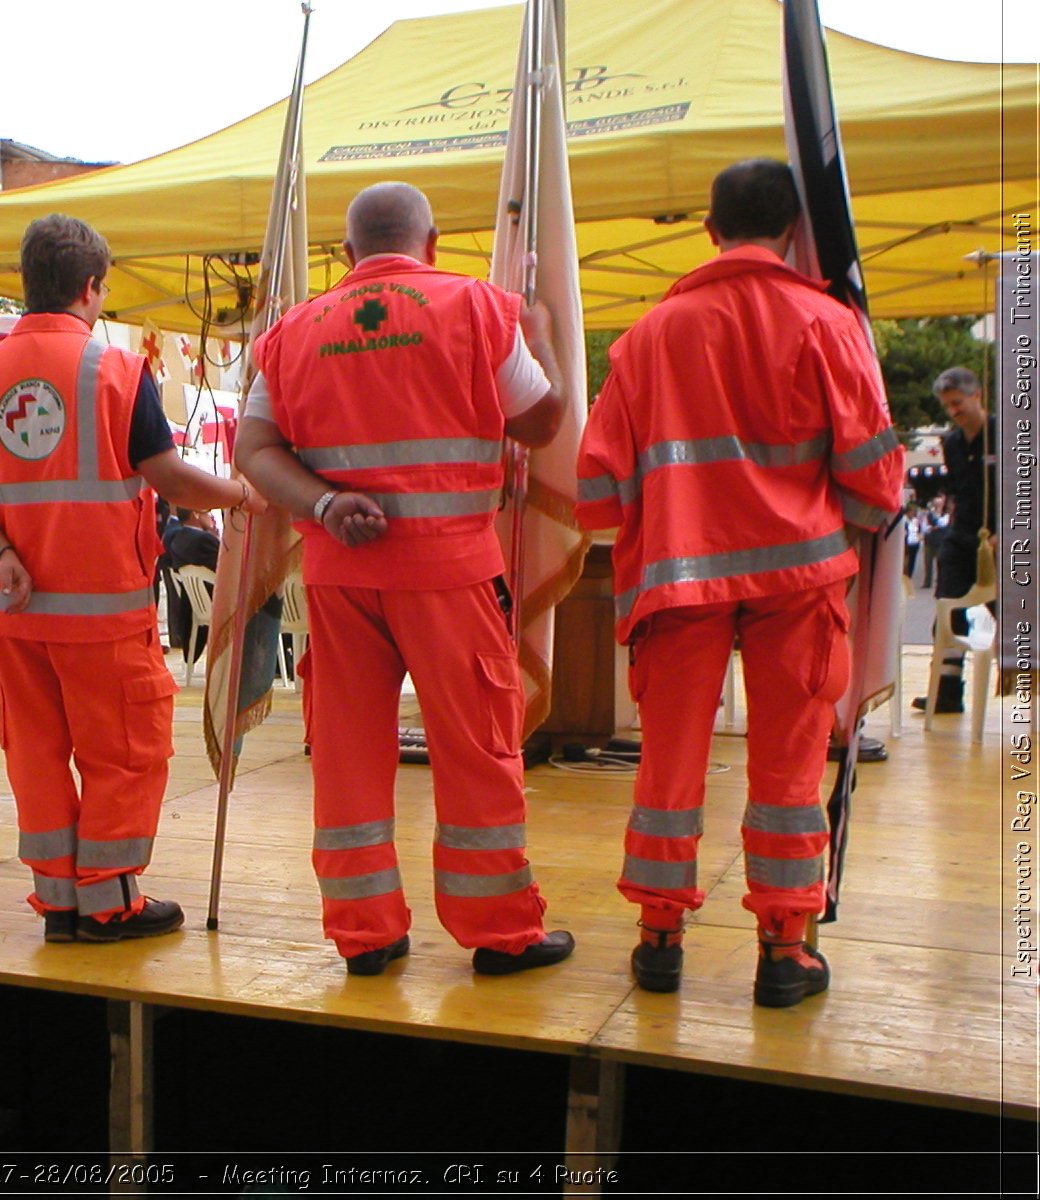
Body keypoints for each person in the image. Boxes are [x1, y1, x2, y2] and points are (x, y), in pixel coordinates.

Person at [574, 159, 904, 1007]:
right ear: (795, 231)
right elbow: (876, 482)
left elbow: (597, 492)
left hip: (678, 584)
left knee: (668, 771)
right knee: (789, 770)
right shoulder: (829, 324)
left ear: (711, 229)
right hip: (799, 583)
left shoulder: (649, 335)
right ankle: (784, 950)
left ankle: (658, 940)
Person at [233, 181, 574, 978]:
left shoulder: (290, 333)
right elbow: (542, 420)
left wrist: (322, 500)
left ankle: (364, 932)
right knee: (475, 750)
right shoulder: (481, 309)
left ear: (348, 255)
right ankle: (497, 929)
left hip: (339, 575)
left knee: (349, 753)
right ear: (432, 243)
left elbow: (254, 450)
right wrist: (544, 335)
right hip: (450, 576)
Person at [0, 213, 263, 944]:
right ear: (90, 289)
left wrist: (0, 553)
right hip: (102, 611)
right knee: (123, 748)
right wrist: (243, 494)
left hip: (15, 613)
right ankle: (110, 900)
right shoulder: (114, 370)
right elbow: (167, 474)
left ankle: (58, 900)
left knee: (36, 752)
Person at [913, 368, 995, 715]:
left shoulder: (1009, 435)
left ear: (977, 395)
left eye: (958, 404)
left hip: (1006, 538)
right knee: (949, 611)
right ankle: (946, 690)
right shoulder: (951, 443)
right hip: (963, 537)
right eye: (947, 406)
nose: (953, 412)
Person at [161, 506, 220, 655]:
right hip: (218, 605)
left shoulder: (178, 538)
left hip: (196, 608)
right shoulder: (204, 540)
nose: (212, 517)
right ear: (196, 514)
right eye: (208, 512)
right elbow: (226, 569)